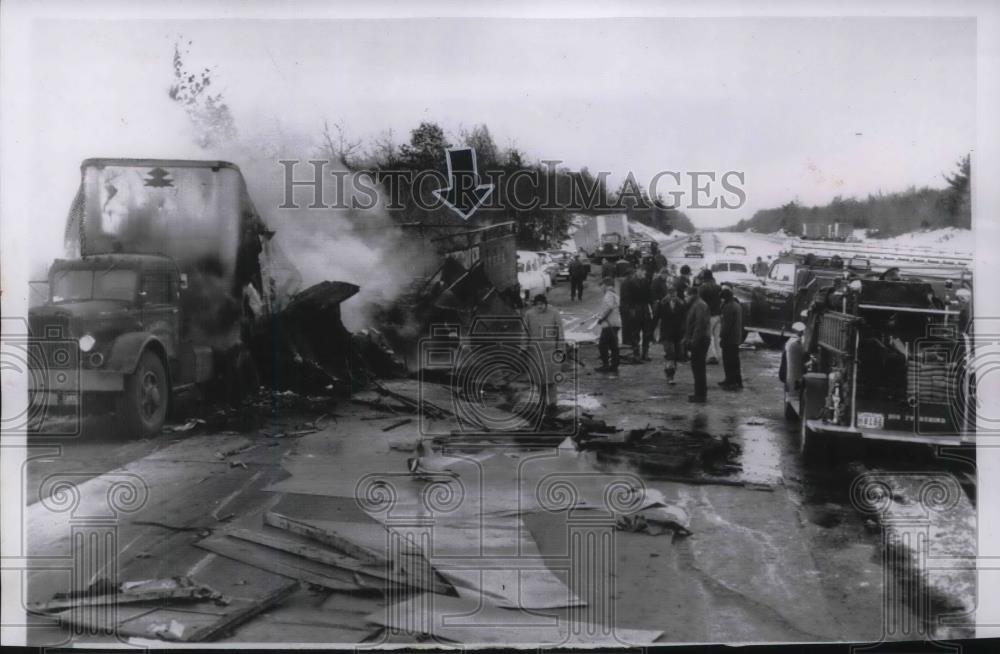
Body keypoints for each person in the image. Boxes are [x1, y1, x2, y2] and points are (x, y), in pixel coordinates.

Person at [523, 294, 566, 414]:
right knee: (539, 380)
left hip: (551, 352)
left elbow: (560, 332)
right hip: (535, 352)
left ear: (546, 304)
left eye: (542, 304)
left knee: (551, 380)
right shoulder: (529, 314)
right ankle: (542, 402)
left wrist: (560, 349)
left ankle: (553, 403)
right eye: (538, 305)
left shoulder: (554, 313)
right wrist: (523, 347)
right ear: (535, 305)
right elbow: (525, 332)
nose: (540, 307)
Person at [653, 282, 686, 384]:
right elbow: (656, 318)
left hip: (678, 333)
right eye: (670, 294)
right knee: (670, 354)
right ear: (668, 294)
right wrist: (653, 332)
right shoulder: (662, 304)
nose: (672, 296)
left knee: (677, 355)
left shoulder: (681, 304)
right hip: (666, 333)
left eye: (674, 293)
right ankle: (670, 376)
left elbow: (685, 318)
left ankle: (671, 373)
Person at [682, 285, 710, 402]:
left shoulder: (699, 305)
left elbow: (699, 325)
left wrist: (693, 341)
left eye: (686, 296)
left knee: (698, 368)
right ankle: (699, 393)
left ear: (692, 295)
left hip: (700, 340)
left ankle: (700, 395)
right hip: (700, 339)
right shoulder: (697, 304)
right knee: (697, 367)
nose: (685, 299)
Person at [718, 285, 744, 390]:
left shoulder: (728, 307)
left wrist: (722, 336)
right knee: (735, 360)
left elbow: (726, 325)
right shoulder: (737, 305)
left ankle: (730, 381)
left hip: (729, 338)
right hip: (736, 337)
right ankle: (737, 381)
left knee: (728, 360)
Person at [618, 266, 645, 363]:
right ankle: (631, 354)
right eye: (633, 274)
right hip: (629, 310)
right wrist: (632, 309)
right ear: (631, 274)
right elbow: (631, 297)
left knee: (628, 331)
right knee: (631, 332)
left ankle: (629, 352)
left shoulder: (625, 283)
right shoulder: (629, 283)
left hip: (626, 309)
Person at [595, 277, 621, 373]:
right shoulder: (615, 294)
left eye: (601, 286)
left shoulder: (608, 295)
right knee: (613, 345)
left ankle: (605, 365)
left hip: (608, 324)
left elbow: (609, 307)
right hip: (616, 322)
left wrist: (602, 318)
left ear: (605, 285)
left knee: (602, 344)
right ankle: (614, 365)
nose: (601, 289)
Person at [698, 269, 722, 365]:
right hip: (718, 315)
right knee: (717, 337)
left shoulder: (702, 288)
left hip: (708, 316)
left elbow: (700, 304)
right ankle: (719, 355)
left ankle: (711, 356)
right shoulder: (718, 287)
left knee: (708, 337)